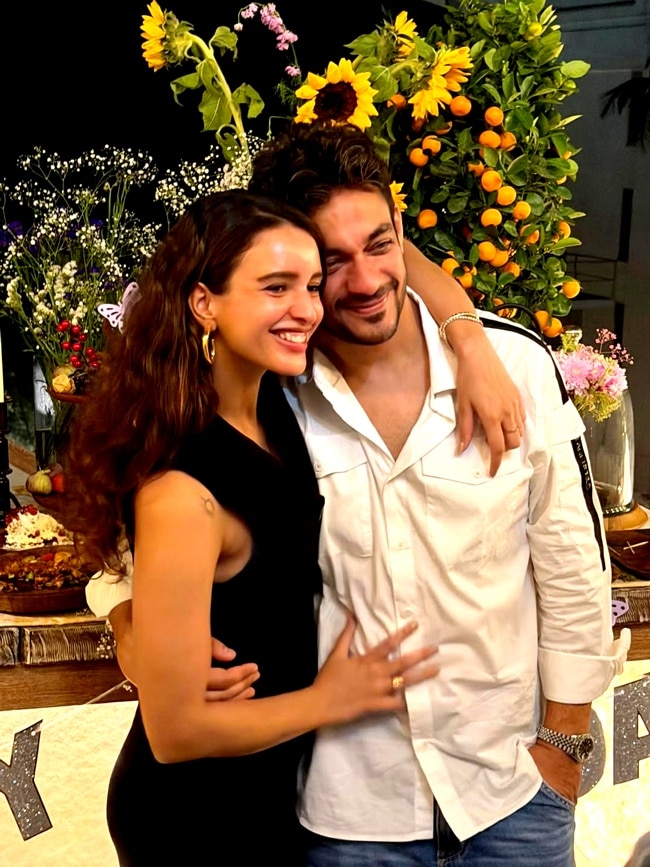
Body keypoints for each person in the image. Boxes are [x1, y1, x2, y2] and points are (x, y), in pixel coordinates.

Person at [243, 123, 630, 865]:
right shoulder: (273, 398)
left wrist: (563, 747)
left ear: (401, 232)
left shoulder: (514, 363)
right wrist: (126, 614)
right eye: (333, 262)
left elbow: (573, 562)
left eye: (379, 245)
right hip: (352, 813)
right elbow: (152, 516)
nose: (365, 281)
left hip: (514, 794)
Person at [63, 190, 441, 866]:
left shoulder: (274, 406)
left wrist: (468, 335)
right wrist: (330, 699)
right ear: (204, 302)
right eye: (276, 287)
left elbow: (395, 268)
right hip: (195, 822)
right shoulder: (183, 489)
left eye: (312, 286)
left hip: (266, 795)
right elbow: (176, 733)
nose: (308, 308)